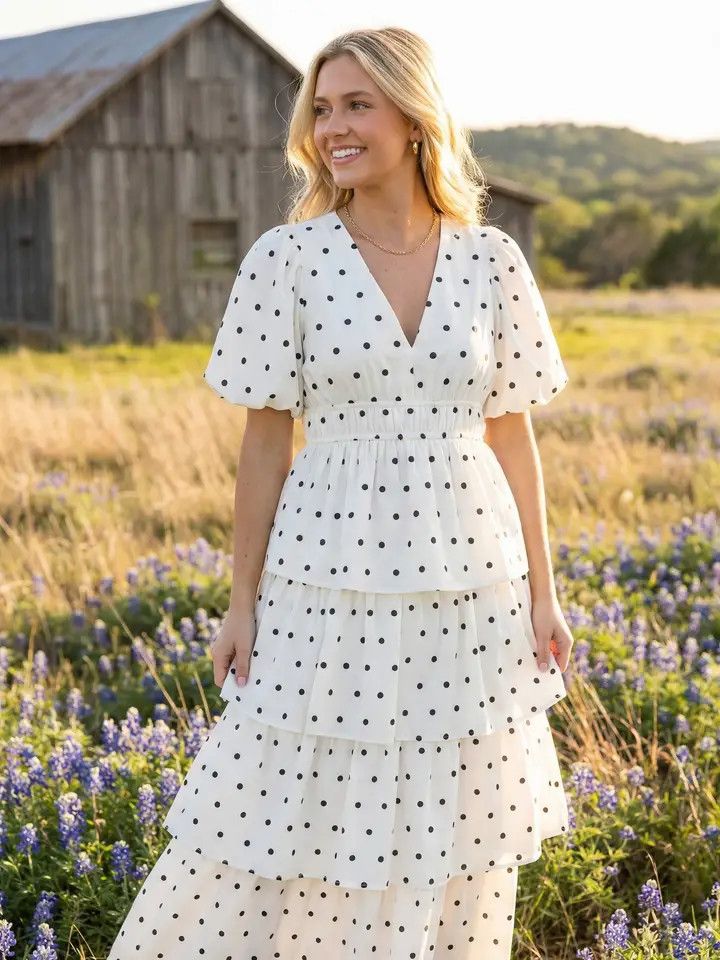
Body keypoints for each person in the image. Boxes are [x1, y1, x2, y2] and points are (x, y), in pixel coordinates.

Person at [109, 24, 574, 959]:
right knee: (300, 803)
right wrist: (240, 602)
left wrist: (544, 591)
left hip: (467, 581)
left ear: (414, 117)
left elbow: (512, 432)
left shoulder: (493, 261)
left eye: (356, 104)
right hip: (325, 574)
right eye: (321, 110)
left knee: (452, 820)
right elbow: (265, 442)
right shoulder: (288, 260)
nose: (333, 129)